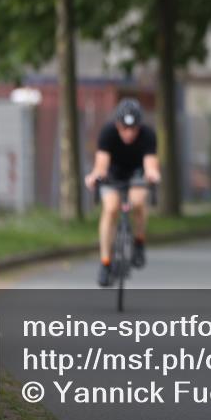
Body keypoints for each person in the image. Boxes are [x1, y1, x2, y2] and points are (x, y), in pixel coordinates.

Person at [83, 98, 160, 287]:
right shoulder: (108, 133)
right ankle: (105, 262)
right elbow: (101, 165)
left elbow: (150, 165)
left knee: (139, 202)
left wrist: (153, 175)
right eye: (124, 128)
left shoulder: (148, 135)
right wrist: (95, 176)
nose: (129, 133)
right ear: (117, 125)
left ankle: (139, 242)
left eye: (133, 129)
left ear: (139, 126)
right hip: (113, 174)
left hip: (136, 175)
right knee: (110, 209)